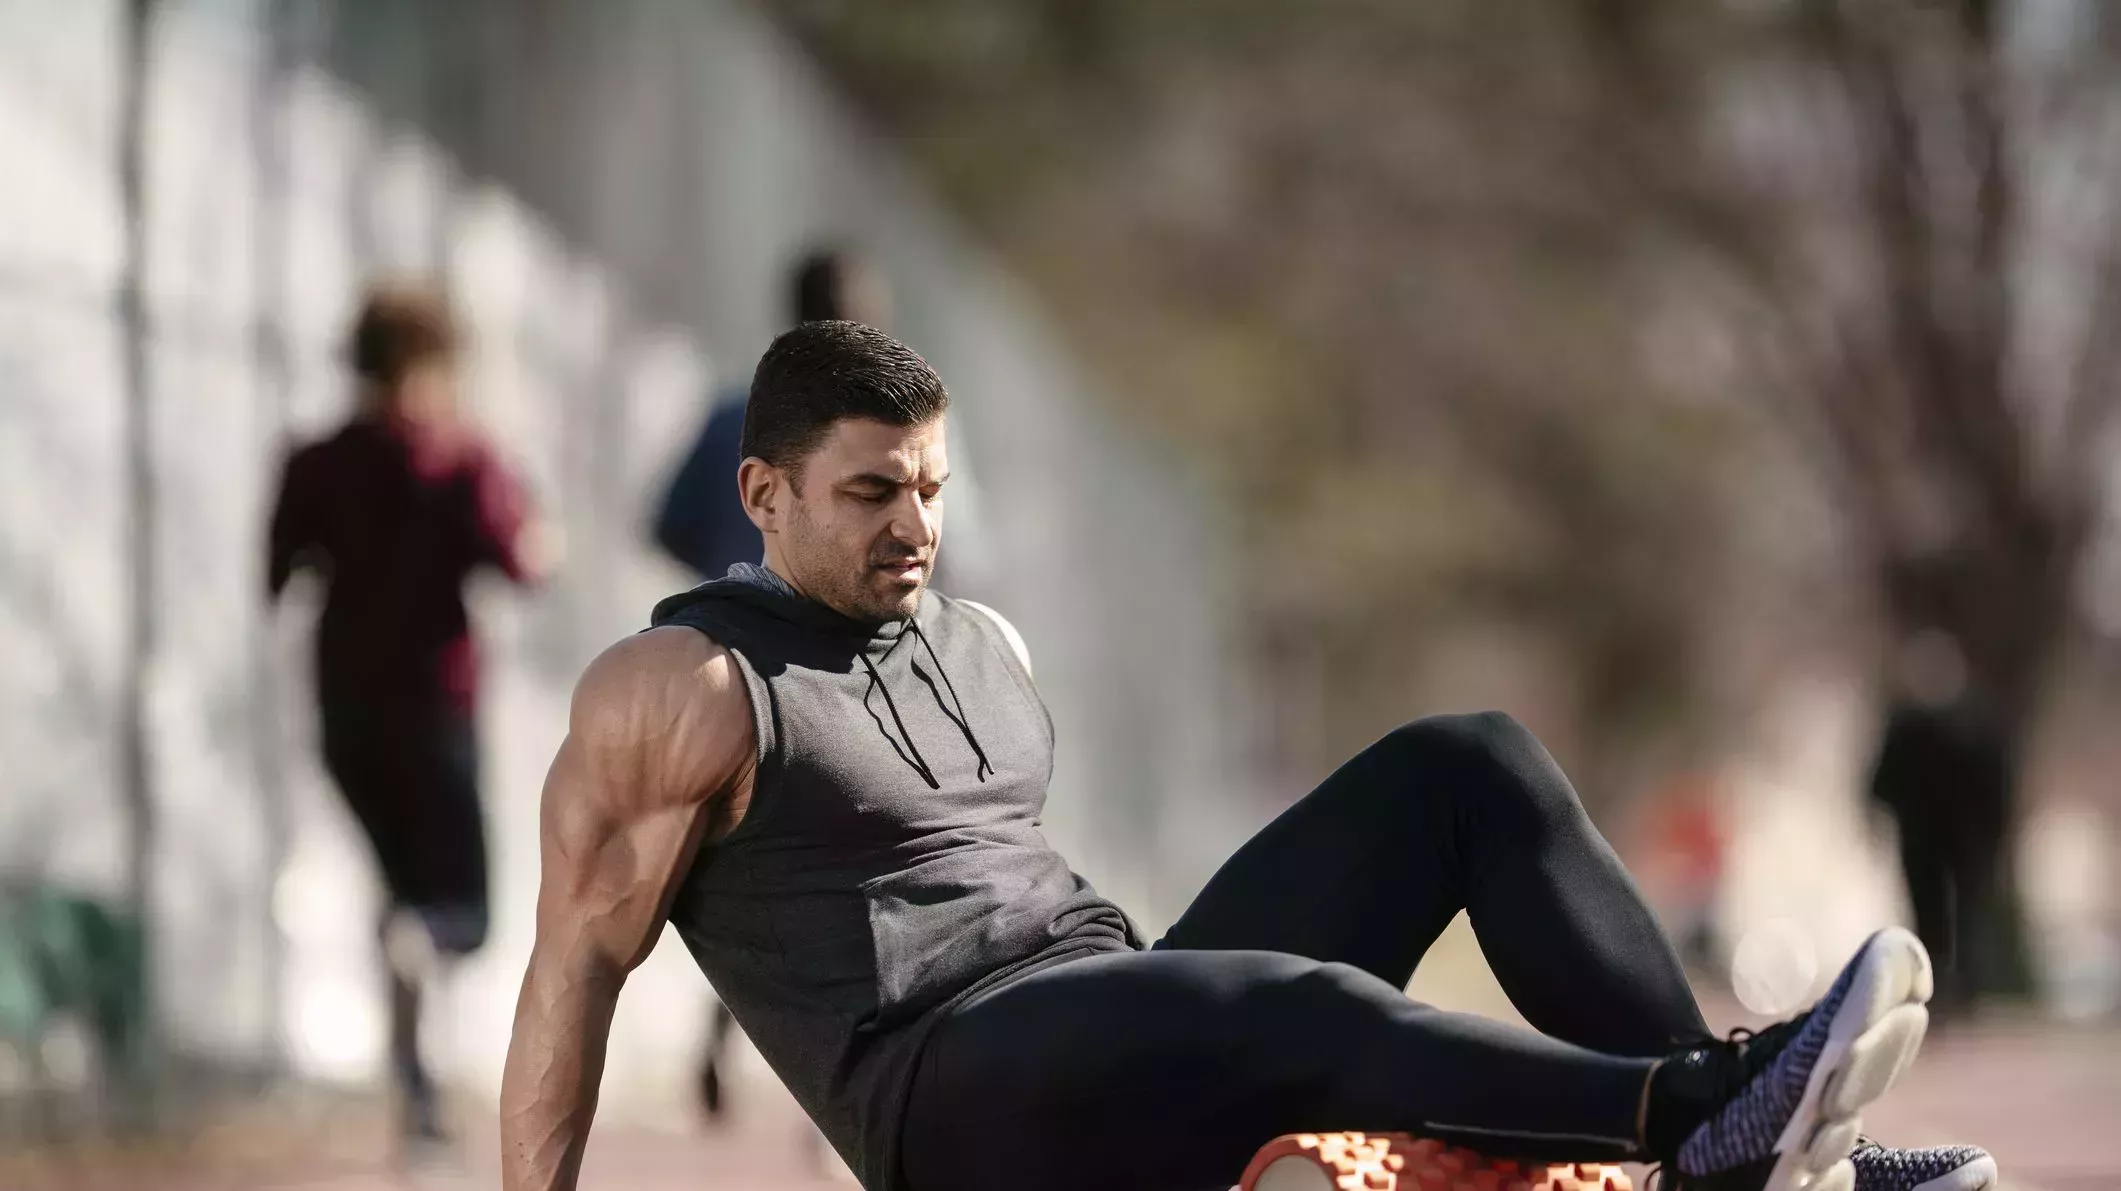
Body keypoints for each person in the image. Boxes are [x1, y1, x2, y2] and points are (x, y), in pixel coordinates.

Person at [499, 322, 1996, 1191]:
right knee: (1298, 1005)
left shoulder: (980, 642)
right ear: (762, 494)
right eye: (870, 490)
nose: (915, 524)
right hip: (948, 1097)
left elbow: (1073, 934)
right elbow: (571, 971)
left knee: (1462, 760)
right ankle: (1694, 1097)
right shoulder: (682, 685)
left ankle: (1743, 1157)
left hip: (1100, 1007)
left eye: (933, 486)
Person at [269, 283, 544, 1150]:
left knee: (396, 893)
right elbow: (524, 559)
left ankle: (417, 1102)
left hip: (346, 709)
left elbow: (276, 573)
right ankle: (421, 953)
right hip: (436, 706)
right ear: (432, 366)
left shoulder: (315, 461)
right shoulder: (459, 460)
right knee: (462, 908)